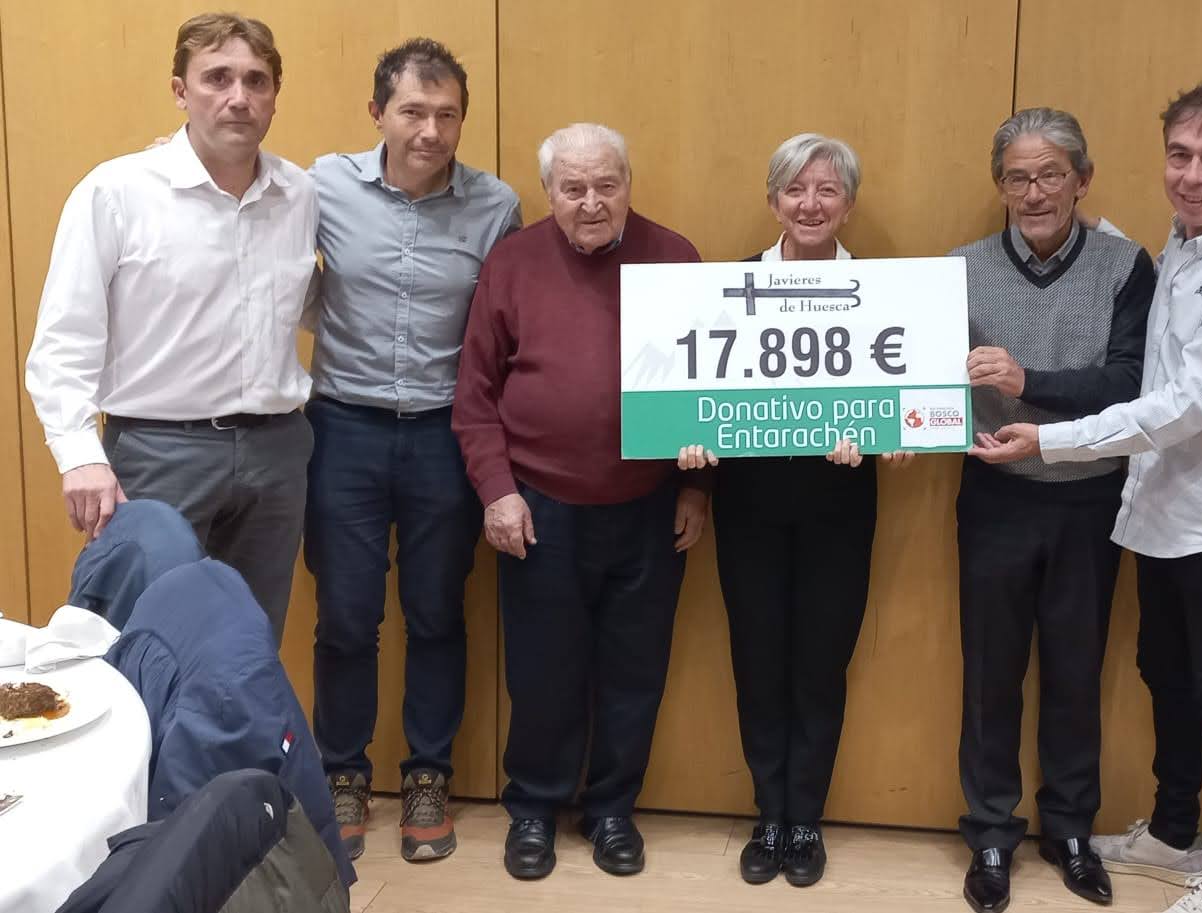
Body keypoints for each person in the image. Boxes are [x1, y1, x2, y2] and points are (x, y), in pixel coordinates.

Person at [973, 77, 1202, 913]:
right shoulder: (1181, 241)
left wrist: (1046, 429)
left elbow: (1182, 398)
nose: (1193, 174)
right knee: (1164, 672)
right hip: (1153, 508)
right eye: (1180, 156)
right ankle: (1168, 829)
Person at [452, 122, 709, 880]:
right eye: (573, 188)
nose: (592, 203)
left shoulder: (677, 257)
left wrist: (698, 484)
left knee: (636, 670)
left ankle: (611, 810)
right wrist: (497, 493)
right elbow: (474, 399)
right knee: (542, 670)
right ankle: (532, 807)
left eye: (607, 184)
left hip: (651, 506)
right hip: (540, 507)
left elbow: (713, 392)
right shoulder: (513, 261)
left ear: (630, 181)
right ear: (549, 193)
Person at [25, 12, 317, 642]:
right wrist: (79, 456)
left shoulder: (300, 195)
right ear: (180, 92)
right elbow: (64, 340)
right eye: (217, 78)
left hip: (276, 456)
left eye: (256, 81)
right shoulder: (116, 192)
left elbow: (314, 298)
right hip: (157, 459)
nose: (238, 97)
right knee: (137, 642)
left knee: (248, 648)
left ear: (273, 96)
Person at [302, 38, 521, 864]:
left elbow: (502, 328)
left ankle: (429, 774)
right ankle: (343, 774)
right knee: (348, 615)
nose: (431, 129)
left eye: (447, 113)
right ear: (377, 114)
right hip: (343, 430)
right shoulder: (320, 185)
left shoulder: (496, 205)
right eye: (413, 111)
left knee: (436, 610)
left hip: (444, 433)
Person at [674, 133, 907, 888]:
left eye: (827, 190)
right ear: (772, 199)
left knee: (819, 667)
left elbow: (905, 404)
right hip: (750, 509)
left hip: (839, 508)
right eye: (795, 190)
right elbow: (688, 396)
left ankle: (804, 816)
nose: (810, 204)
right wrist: (690, 442)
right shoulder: (727, 288)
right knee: (758, 661)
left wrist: (888, 437)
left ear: (848, 204)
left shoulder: (881, 292)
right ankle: (767, 812)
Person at [952, 108, 1155, 913]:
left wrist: (1027, 380)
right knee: (989, 673)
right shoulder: (960, 268)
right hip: (994, 495)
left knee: (1076, 669)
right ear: (998, 184)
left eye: (1050, 175)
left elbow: (1131, 380)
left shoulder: (1126, 264)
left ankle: (1069, 827)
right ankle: (991, 832)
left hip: (1090, 495)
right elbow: (923, 377)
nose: (1033, 192)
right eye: (1016, 177)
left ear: (1082, 179)